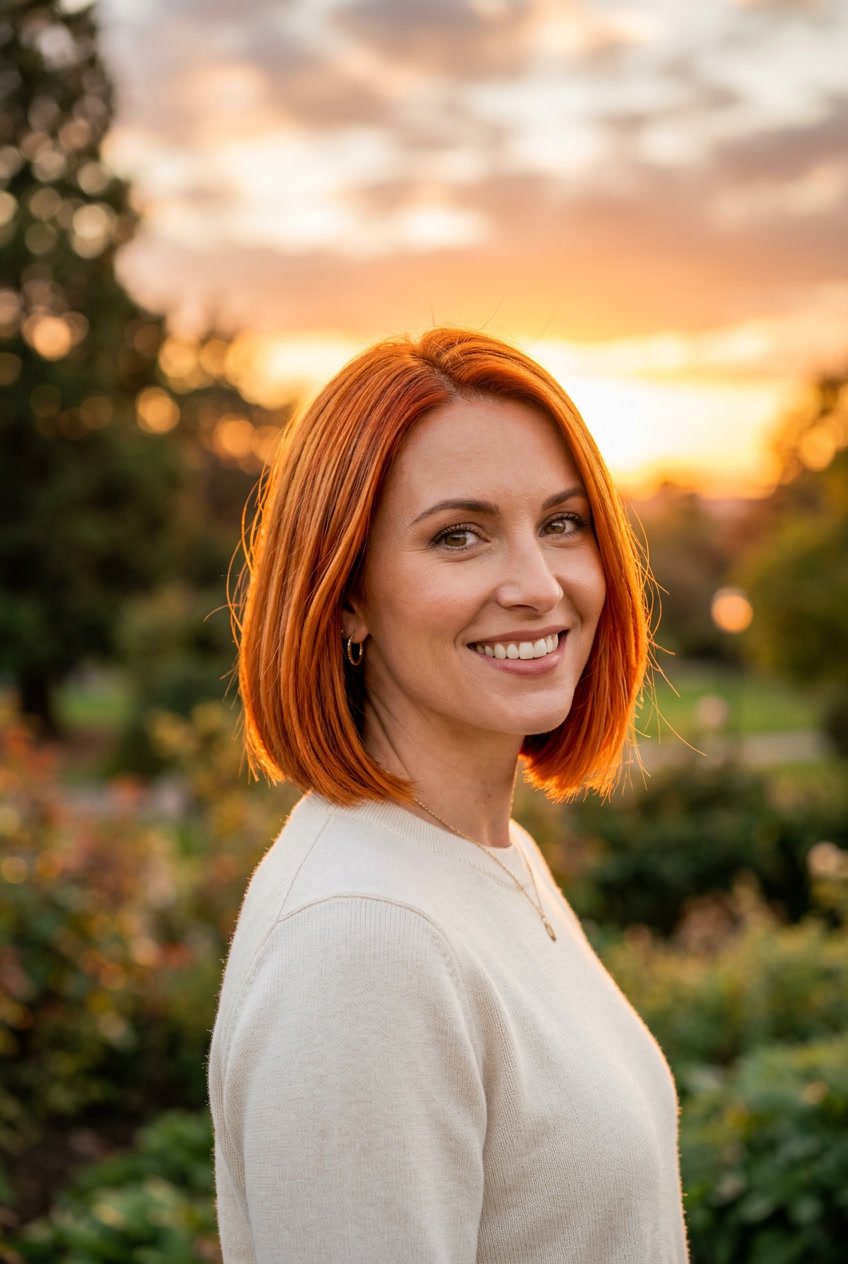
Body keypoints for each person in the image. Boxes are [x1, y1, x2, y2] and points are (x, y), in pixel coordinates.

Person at [208, 327, 689, 1263]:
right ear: (343, 595)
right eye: (459, 536)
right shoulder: (363, 939)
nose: (538, 585)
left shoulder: (481, 859)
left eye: (562, 522)